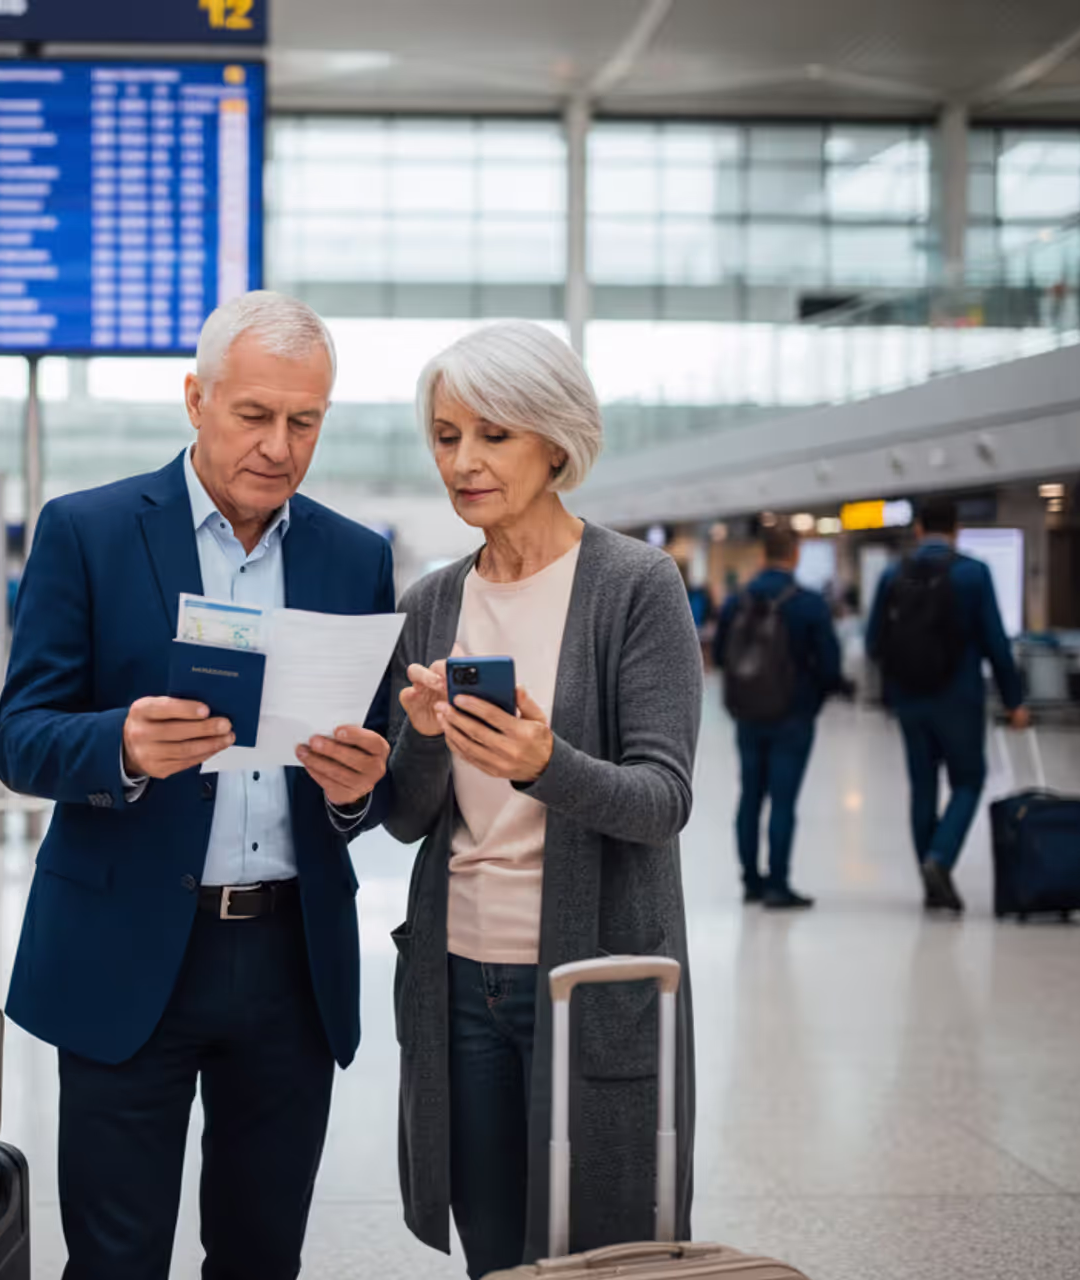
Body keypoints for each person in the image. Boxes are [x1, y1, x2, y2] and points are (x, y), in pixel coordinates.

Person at [0, 292, 395, 1280]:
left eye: (305, 420)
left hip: (288, 963)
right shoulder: (86, 531)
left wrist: (357, 787)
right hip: (126, 953)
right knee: (117, 1256)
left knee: (262, 1255)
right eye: (254, 414)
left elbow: (369, 770)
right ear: (195, 399)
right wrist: (121, 744)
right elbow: (20, 739)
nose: (279, 444)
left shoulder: (355, 556)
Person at [385, 321, 701, 1276]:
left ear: (555, 442)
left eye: (494, 434)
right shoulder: (433, 602)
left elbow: (662, 799)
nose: (465, 462)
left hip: (590, 976)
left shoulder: (636, 586)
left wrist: (542, 759)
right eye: (447, 437)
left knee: (598, 1246)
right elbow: (406, 815)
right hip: (458, 977)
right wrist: (428, 745)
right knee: (493, 1246)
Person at [867, 496, 1028, 912]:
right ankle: (940, 859)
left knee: (922, 787)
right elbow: (996, 642)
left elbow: (873, 643)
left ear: (918, 528)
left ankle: (929, 881)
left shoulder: (892, 574)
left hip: (910, 701)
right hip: (959, 699)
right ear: (956, 529)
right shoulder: (974, 573)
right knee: (968, 782)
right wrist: (1015, 700)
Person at [713, 524, 845, 909]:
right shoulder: (807, 603)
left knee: (750, 795)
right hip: (793, 715)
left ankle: (751, 881)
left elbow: (721, 654)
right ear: (795, 554)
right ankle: (778, 884)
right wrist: (813, 697)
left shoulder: (739, 601)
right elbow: (831, 665)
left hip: (748, 714)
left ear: (761, 554)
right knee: (783, 800)